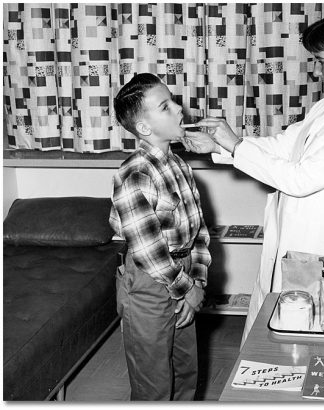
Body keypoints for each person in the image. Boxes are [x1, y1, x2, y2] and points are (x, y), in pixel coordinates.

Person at [182, 9, 324, 345]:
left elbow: (300, 179)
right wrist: (219, 144)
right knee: (276, 335)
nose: (318, 70)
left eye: (322, 61)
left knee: (312, 340)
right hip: (297, 241)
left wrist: (236, 146)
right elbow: (284, 145)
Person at [109, 73, 211, 400]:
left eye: (173, 101)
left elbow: (198, 231)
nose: (179, 108)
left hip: (181, 277)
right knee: (153, 379)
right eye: (166, 106)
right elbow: (148, 250)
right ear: (144, 128)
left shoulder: (180, 165)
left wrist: (197, 282)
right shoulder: (135, 174)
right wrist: (186, 290)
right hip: (149, 284)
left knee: (186, 369)